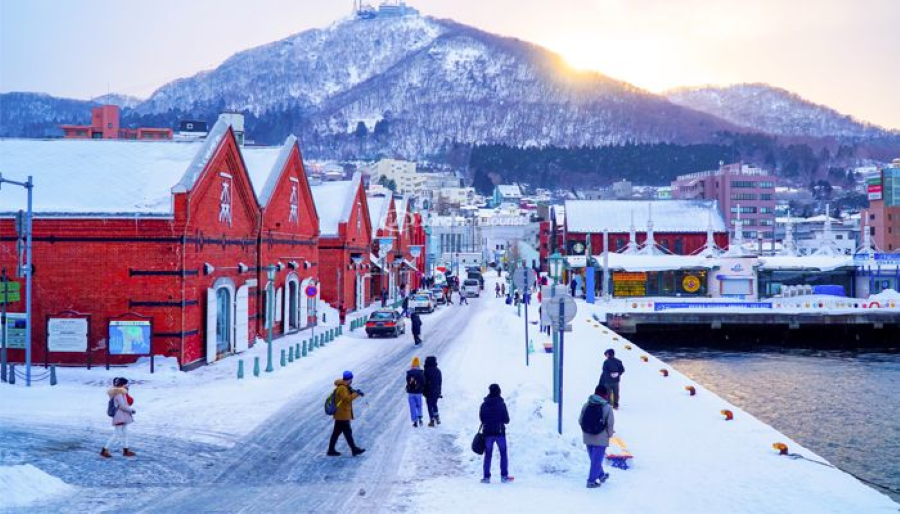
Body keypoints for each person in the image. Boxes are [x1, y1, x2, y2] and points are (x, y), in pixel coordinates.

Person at [579, 384, 615, 488]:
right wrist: (609, 434)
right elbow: (610, 423)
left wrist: (587, 430)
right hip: (600, 438)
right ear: (605, 395)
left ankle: (601, 475)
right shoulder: (607, 407)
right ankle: (591, 481)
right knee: (596, 461)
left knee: (595, 460)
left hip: (587, 436)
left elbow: (580, 420)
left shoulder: (586, 404)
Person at [479, 384, 513, 484]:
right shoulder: (501, 404)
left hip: (487, 433)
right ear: (499, 391)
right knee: (503, 453)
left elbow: (482, 418)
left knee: (488, 454)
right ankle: (504, 476)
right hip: (500, 433)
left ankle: (486, 477)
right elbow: (507, 420)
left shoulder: (484, 404)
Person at [328, 371, 366, 457]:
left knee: (337, 433)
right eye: (351, 379)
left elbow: (349, 392)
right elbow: (347, 399)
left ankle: (331, 450)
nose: (351, 381)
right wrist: (357, 394)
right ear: (349, 379)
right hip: (342, 415)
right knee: (347, 433)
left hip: (341, 414)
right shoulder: (342, 388)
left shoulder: (345, 386)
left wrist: (356, 392)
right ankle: (354, 449)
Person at [101, 377, 137, 458]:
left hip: (123, 415)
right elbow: (122, 406)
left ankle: (126, 450)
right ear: (122, 384)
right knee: (117, 433)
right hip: (119, 415)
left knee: (125, 433)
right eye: (126, 384)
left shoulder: (122, 392)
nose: (127, 385)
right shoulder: (118, 393)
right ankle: (104, 450)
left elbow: (128, 402)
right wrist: (131, 410)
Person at [423, 355, 443, 426]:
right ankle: (437, 417)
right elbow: (440, 382)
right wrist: (439, 391)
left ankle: (432, 420)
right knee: (434, 404)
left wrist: (423, 391)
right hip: (436, 391)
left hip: (429, 391)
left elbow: (424, 382)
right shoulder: (438, 370)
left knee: (429, 405)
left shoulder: (426, 371)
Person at [406, 357, 426, 427]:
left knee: (412, 407)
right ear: (418, 365)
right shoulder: (420, 373)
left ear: (412, 364)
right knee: (419, 405)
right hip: (418, 393)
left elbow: (407, 382)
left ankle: (415, 421)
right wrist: (421, 389)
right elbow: (423, 382)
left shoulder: (409, 373)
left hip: (411, 393)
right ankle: (420, 418)